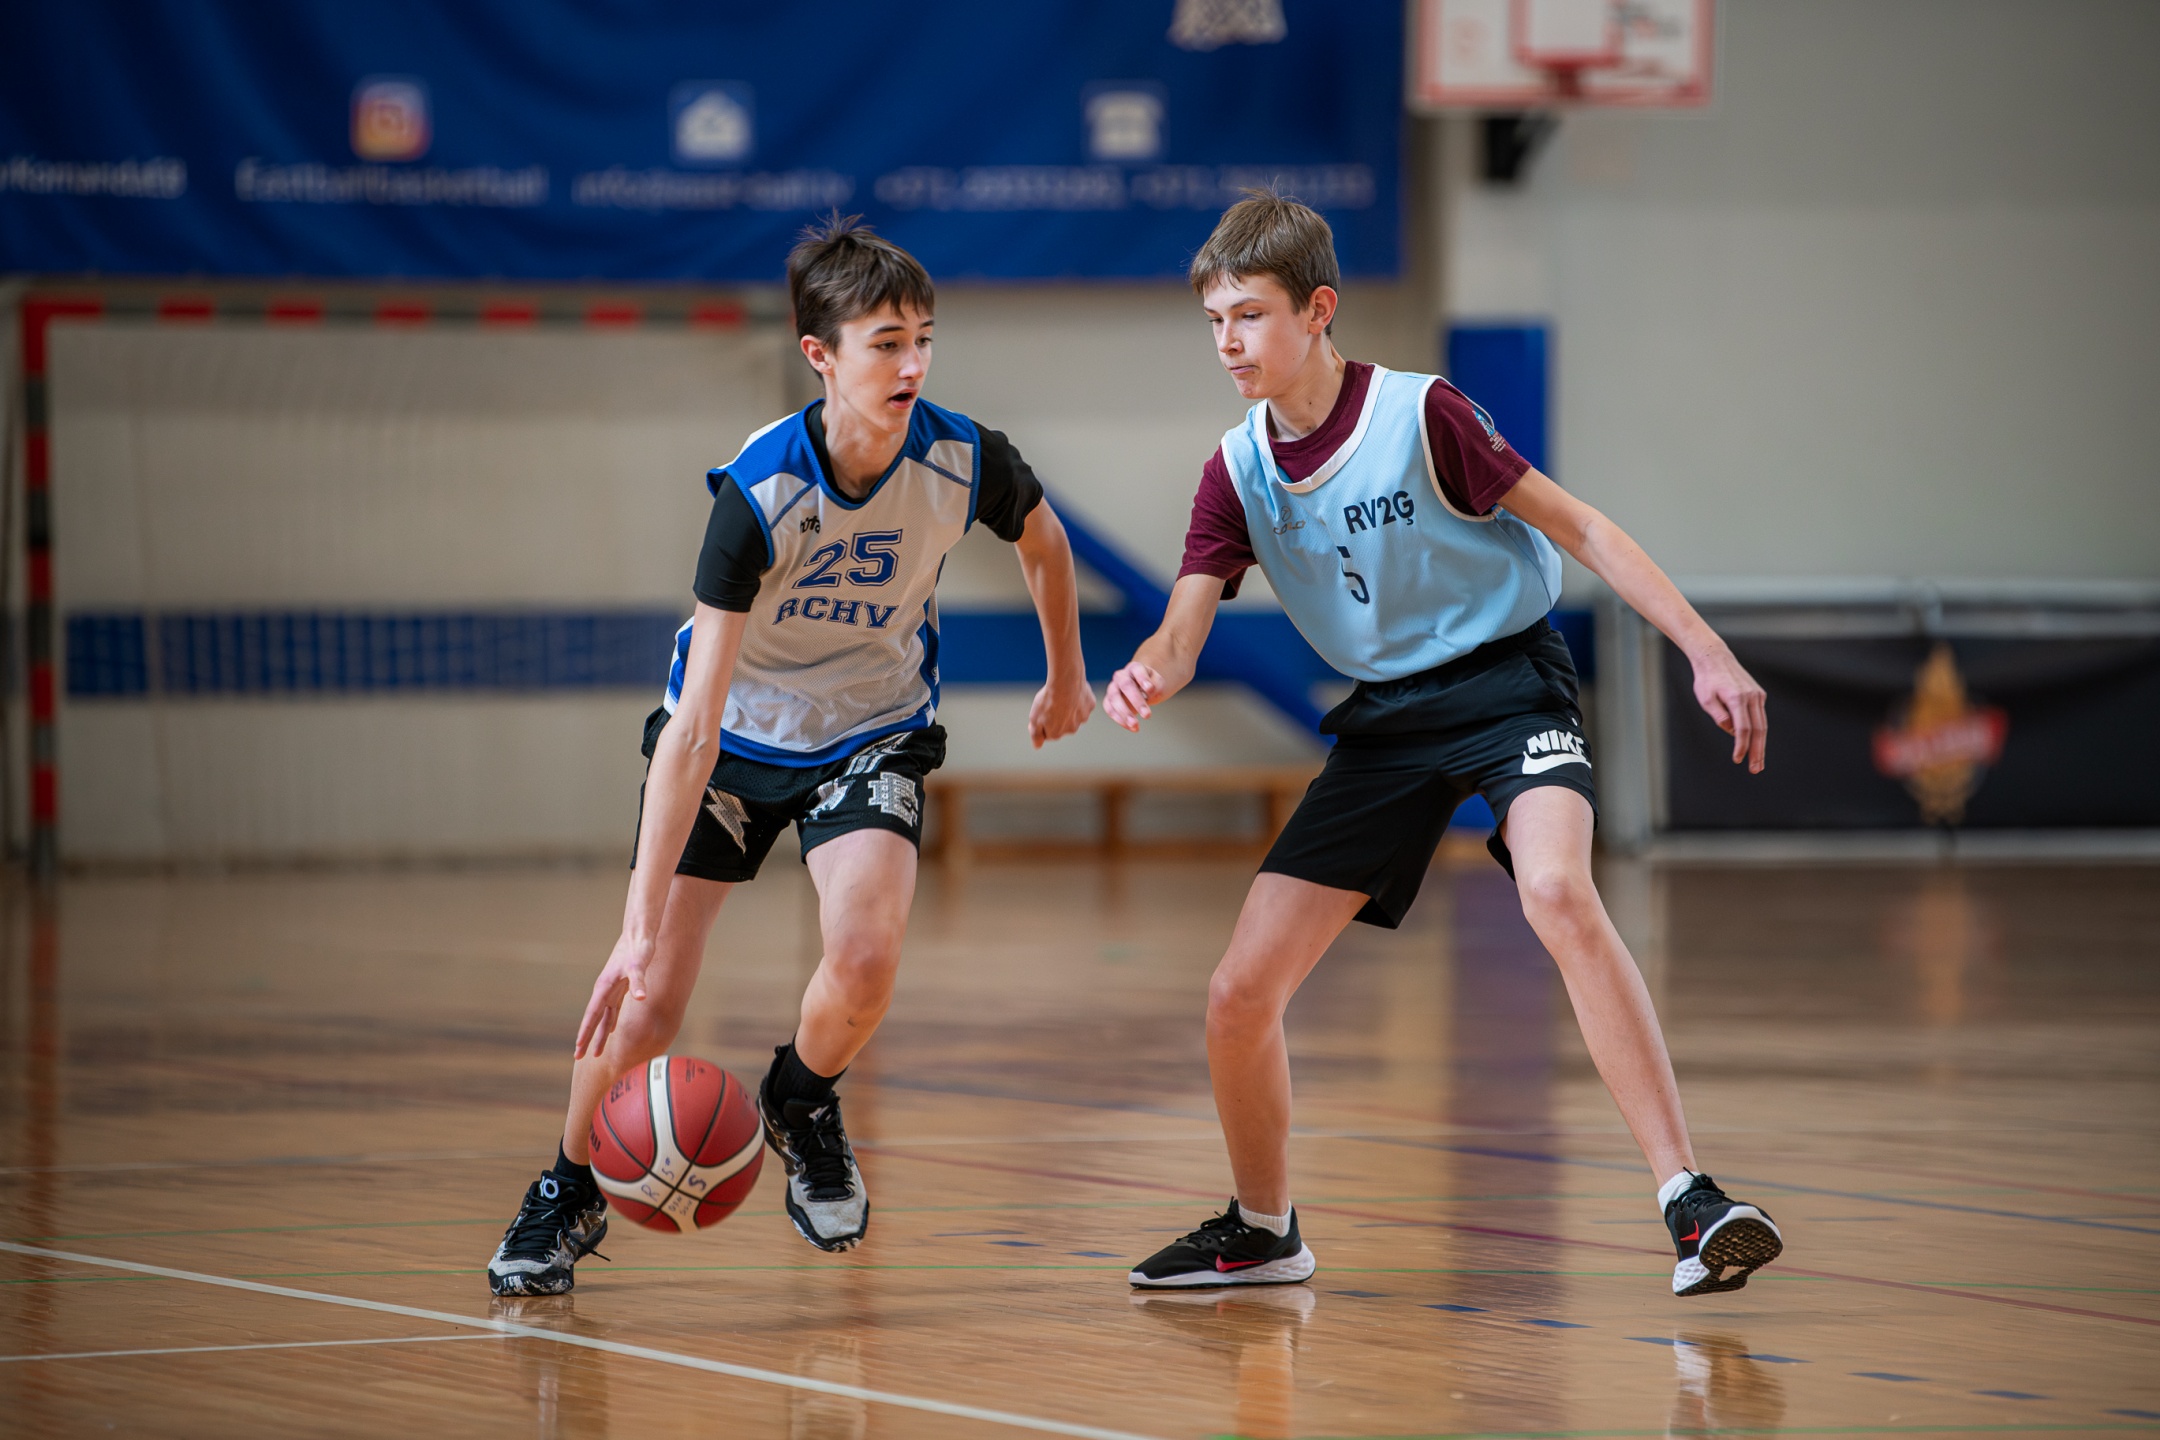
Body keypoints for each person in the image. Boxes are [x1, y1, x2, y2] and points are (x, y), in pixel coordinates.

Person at [1108, 191, 1783, 1298]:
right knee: (1238, 992)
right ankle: (1264, 1230)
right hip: (1386, 723)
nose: (1227, 341)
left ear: (1318, 310)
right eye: (1215, 319)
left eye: (1250, 315)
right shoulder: (1236, 469)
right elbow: (1181, 635)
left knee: (1557, 890)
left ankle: (1691, 1201)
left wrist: (1705, 651)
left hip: (1509, 683)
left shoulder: (1423, 415)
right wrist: (1148, 670)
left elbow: (1583, 527)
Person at [487, 216, 1095, 1296]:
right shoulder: (760, 493)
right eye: (886, 344)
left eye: (924, 340)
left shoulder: (964, 457)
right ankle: (564, 1191)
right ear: (820, 353)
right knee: (647, 999)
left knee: (865, 953)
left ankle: (801, 1099)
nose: (912, 365)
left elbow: (1045, 543)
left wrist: (1066, 676)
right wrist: (634, 928)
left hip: (870, 727)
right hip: (733, 736)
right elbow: (693, 726)